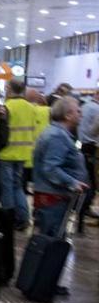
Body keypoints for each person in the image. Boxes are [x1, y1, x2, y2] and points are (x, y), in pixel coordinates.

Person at [32, 97, 89, 243]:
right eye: (78, 111)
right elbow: (51, 168)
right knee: (50, 244)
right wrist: (72, 182)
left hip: (53, 199)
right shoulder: (57, 136)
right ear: (68, 115)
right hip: (53, 200)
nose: (81, 114)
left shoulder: (57, 134)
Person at [0, 80, 36, 230]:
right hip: (23, 154)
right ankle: (24, 218)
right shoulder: (31, 108)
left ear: (9, 89)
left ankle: (9, 218)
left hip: (6, 153)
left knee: (6, 188)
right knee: (18, 187)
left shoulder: (7, 107)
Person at [77, 92, 99, 233]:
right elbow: (94, 129)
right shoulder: (97, 109)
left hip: (83, 146)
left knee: (86, 179)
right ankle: (85, 207)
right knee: (92, 182)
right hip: (94, 147)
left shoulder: (84, 106)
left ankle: (82, 209)